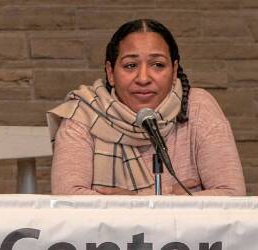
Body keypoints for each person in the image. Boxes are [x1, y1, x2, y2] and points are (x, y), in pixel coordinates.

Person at [47, 19, 245, 196]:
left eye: (158, 65)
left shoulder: (198, 107)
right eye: (130, 66)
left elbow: (231, 194)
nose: (143, 78)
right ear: (110, 73)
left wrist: (136, 203)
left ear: (174, 70)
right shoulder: (83, 114)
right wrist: (162, 199)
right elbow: (68, 198)